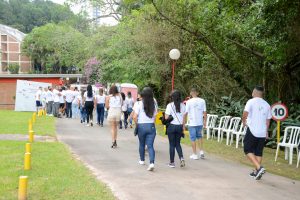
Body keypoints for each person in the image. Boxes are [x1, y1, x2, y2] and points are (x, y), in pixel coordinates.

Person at [242, 85, 271, 180]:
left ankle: (259, 168)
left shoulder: (251, 101)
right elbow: (268, 120)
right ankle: (256, 172)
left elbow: (245, 113)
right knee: (258, 152)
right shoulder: (267, 104)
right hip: (262, 131)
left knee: (247, 149)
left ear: (254, 92)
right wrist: (266, 131)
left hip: (252, 129)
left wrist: (243, 122)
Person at [133, 87, 157, 171]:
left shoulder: (139, 104)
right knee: (150, 146)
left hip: (141, 126)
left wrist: (137, 124)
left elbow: (135, 117)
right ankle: (152, 163)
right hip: (151, 126)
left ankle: (142, 160)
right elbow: (154, 116)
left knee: (142, 144)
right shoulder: (154, 104)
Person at [183, 88, 207, 160]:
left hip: (192, 123)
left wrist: (183, 124)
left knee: (193, 138)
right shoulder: (202, 101)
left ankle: (194, 154)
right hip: (200, 122)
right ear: (197, 93)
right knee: (199, 136)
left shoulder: (189, 101)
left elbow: (186, 113)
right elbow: (205, 112)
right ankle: (201, 151)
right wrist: (205, 122)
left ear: (191, 93)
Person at [165, 90, 185, 168]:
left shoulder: (170, 105)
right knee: (178, 144)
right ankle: (181, 158)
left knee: (171, 145)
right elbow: (184, 117)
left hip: (172, 126)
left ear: (172, 97)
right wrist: (183, 127)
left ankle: (172, 162)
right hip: (179, 126)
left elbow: (166, 117)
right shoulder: (183, 106)